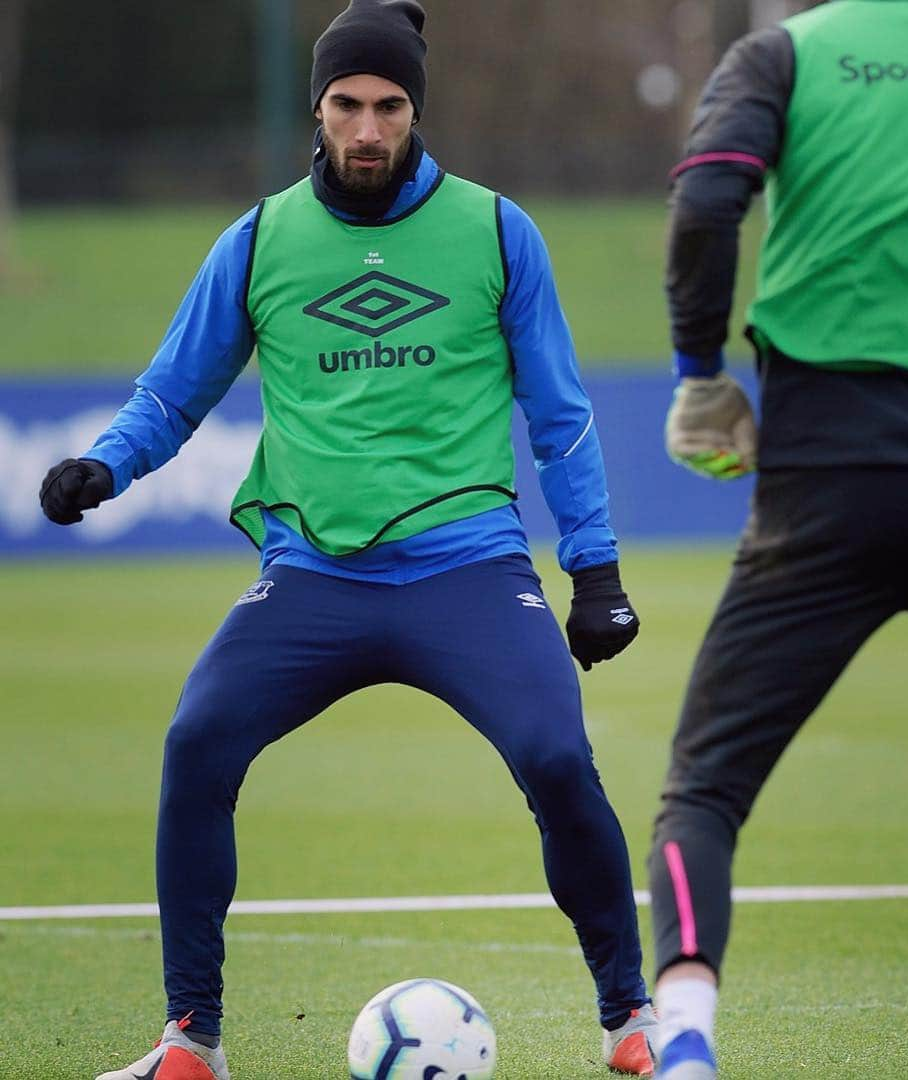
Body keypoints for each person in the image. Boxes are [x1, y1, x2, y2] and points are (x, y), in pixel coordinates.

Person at [38, 3, 659, 1077]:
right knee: (195, 748)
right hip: (312, 578)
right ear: (318, 112)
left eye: (388, 106)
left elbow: (560, 417)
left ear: (415, 109)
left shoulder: (499, 231)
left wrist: (595, 569)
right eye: (345, 106)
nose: (367, 129)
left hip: (468, 567)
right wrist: (107, 464)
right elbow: (172, 395)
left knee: (559, 759)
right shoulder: (262, 239)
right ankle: (192, 1039)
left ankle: (631, 1019)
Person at [642, 2, 908, 1078]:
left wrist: (700, 374)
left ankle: (688, 1041)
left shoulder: (786, 53)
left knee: (705, 788)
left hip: (833, 474)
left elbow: (707, 199)